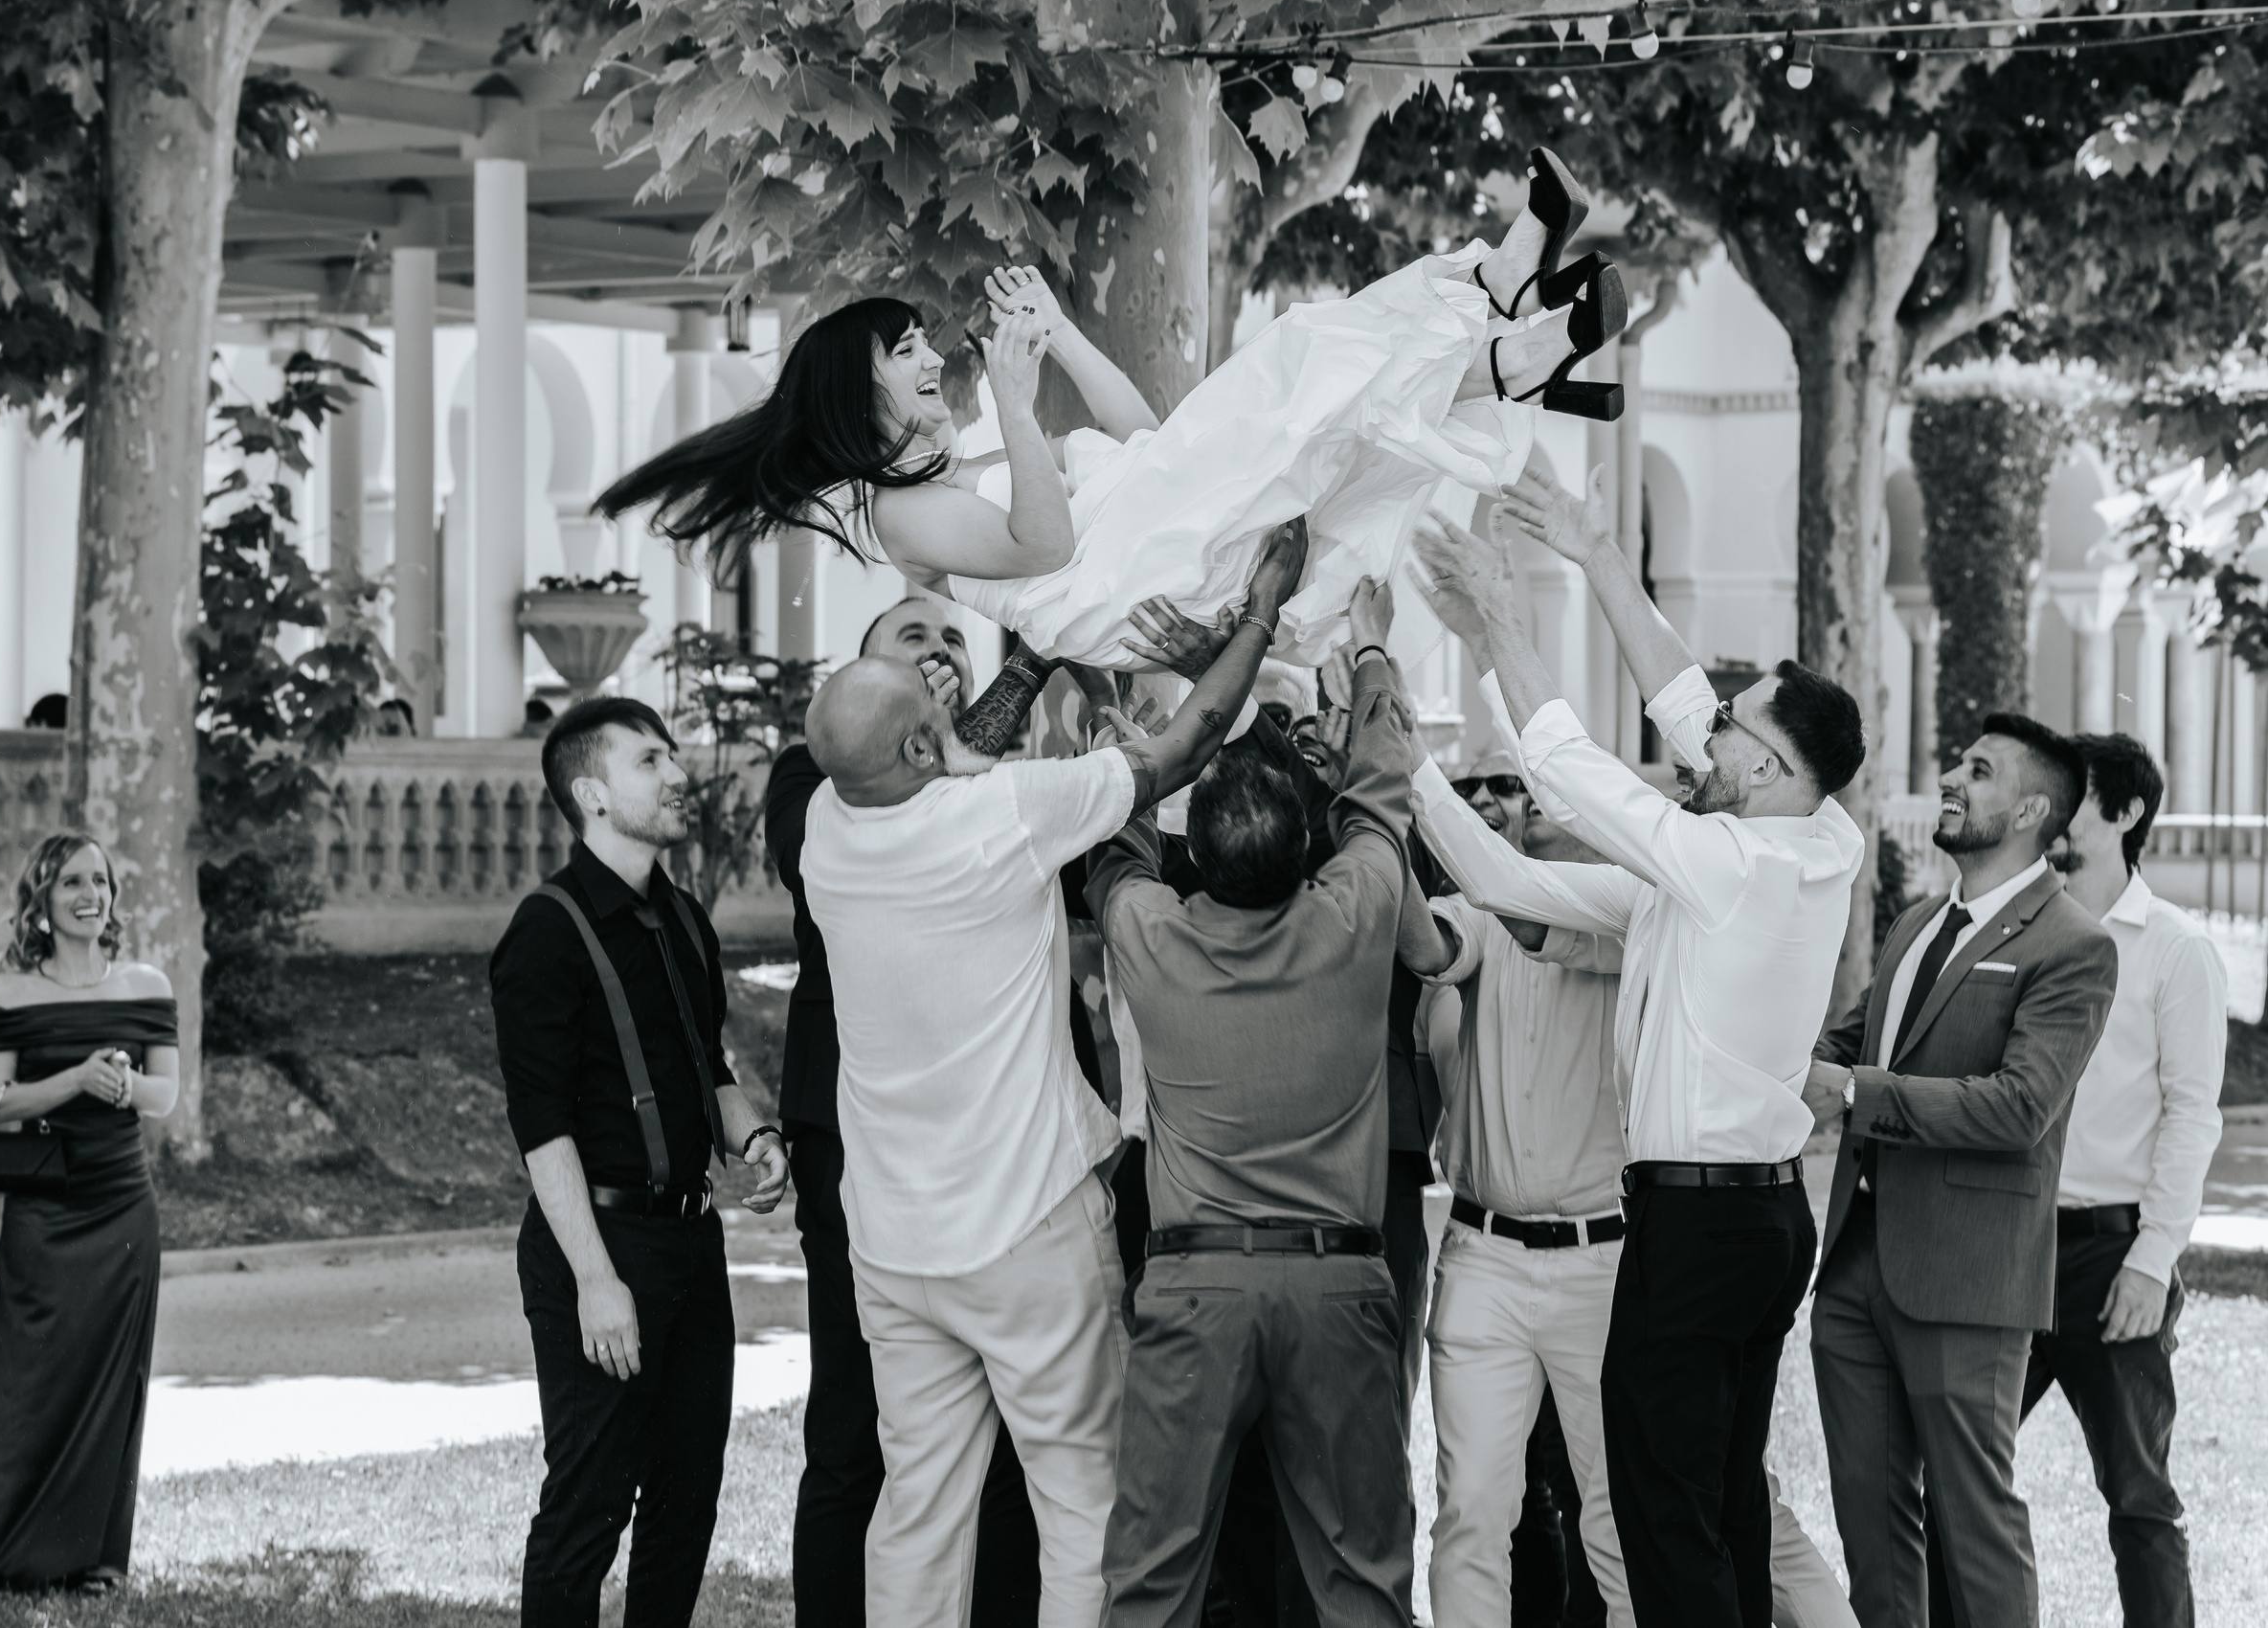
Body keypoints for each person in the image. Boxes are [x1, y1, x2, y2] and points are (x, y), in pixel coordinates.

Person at [797, 517, 1309, 1628]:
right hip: (1021, 1223)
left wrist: (1008, 665)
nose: (944, 695)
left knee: (919, 1508)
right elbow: (1179, 749)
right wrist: (1262, 608)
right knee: (1083, 1498)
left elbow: (939, 748)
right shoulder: (1001, 820)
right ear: (929, 750)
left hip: (890, 1241)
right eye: (930, 700)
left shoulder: (826, 828)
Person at [596, 148, 1627, 672]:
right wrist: (1009, 390)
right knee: (1297, 373)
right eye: (902, 351)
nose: (926, 358)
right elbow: (1042, 548)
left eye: (918, 342)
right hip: (1137, 584)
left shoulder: (962, 455)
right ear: (850, 392)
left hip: (1159, 524)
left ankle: (1511, 333)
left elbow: (1146, 438)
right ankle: (1499, 317)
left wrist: (1061, 331)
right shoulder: (895, 513)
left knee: (1312, 394)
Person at [1406, 456, 1866, 1628]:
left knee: (1664, 1516)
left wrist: (1504, 619)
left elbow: (1568, 776)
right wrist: (1597, 554)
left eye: (1728, 731)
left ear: (1765, 768)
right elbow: (1507, 872)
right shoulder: (1807, 843)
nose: (1700, 736)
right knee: (1718, 1501)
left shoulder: (1726, 864)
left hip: (1702, 1224)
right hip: (1749, 1218)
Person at [1087, 579, 1418, 1626]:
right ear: (1301, 857)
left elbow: (1117, 841)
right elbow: (1380, 797)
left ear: (1204, 864)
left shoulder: (1150, 932)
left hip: (1197, 1288)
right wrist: (1369, 658)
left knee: (1152, 1579)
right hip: (1337, 1283)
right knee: (1360, 1579)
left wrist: (1138, 743)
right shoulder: (1357, 916)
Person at [763, 594, 1046, 1628]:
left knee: (1024, 1430)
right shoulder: (816, 776)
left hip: (1008, 1147)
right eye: (910, 641)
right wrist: (1025, 673)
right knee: (855, 1419)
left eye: (953, 644)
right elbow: (893, 798)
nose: (937, 656)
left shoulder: (1008, 784)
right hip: (860, 1143)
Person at [1805, 712, 2118, 1628]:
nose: (1951, 776)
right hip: (1854, 1267)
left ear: (2028, 809)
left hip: (1970, 1277)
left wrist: (1857, 1093)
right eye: (1957, 763)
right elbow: (1843, 1042)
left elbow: (2020, 1107)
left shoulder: (2073, 945)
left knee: (1974, 1526)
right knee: (1871, 1527)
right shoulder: (1913, 923)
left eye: (1978, 771)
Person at [489, 696, 792, 1628]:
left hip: (693, 1246)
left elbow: (711, 1068)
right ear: (591, 793)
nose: (676, 774)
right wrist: (594, 1279)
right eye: (650, 761)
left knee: (686, 1500)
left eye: (671, 756)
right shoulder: (544, 931)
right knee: (588, 1506)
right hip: (602, 1245)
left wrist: (753, 1138)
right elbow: (542, 1131)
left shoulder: (684, 919)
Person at [1926, 733, 2222, 1628]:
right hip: (2001, 1247)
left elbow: (2192, 1114)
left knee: (2138, 1495)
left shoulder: (2177, 950)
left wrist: (2153, 1257)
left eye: (2076, 796)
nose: (2049, 810)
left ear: (2126, 814)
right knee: (1953, 1484)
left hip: (2107, 1259)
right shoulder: (2004, 930)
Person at [1401, 762, 1631, 1628]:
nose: (1534, 799)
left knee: (1617, 1517)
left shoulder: (1629, 909)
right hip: (1483, 1256)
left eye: (1551, 788)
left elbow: (1552, 925)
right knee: (1468, 1516)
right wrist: (1385, 818)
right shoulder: (1480, 911)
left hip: (1602, 1261)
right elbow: (1426, 945)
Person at [0, 833, 180, 1594]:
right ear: (41, 896)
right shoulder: (9, 993)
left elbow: (165, 1095)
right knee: (27, 1377)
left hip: (122, 1205)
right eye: (71, 880)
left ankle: (93, 1561)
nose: (89, 894)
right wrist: (75, 1077)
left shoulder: (147, 984)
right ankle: (4, 1551)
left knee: (113, 1382)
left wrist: (121, 1083)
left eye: (100, 881)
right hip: (43, 1207)